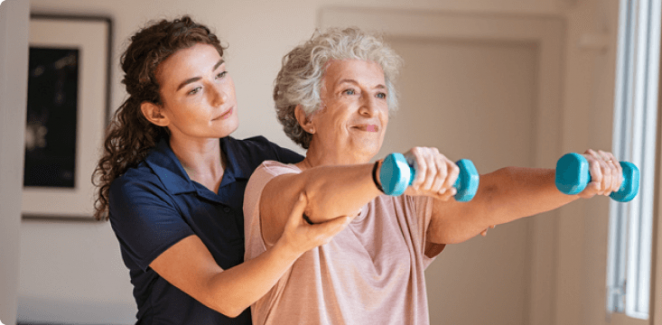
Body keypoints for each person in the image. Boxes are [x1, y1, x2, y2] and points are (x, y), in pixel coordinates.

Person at [242, 27, 625, 325]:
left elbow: (492, 194)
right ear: (306, 115)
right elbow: (314, 199)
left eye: (378, 95)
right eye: (349, 92)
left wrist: (574, 183)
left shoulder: (404, 197)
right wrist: (388, 175)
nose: (370, 108)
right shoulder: (272, 181)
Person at [93, 16, 349, 324]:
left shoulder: (263, 159)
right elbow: (220, 296)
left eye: (221, 74)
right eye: (195, 90)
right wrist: (291, 247)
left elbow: (329, 187)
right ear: (157, 113)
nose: (221, 96)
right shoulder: (139, 191)